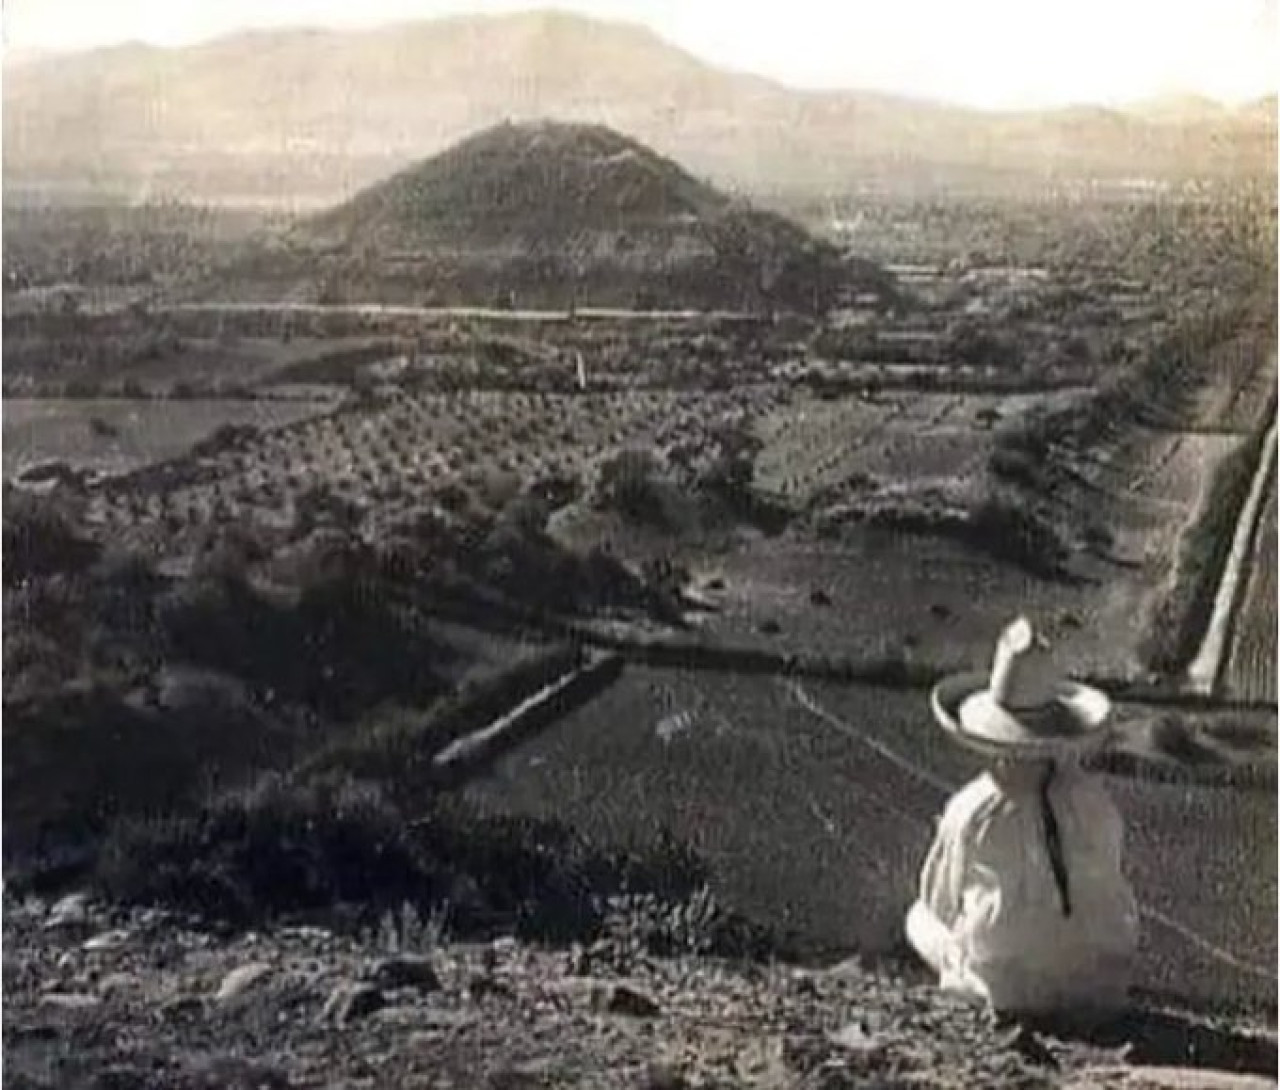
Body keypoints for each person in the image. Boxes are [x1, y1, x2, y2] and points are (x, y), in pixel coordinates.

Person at [905, 616, 1139, 1018]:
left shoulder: (973, 809)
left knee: (919, 919)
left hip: (1007, 993)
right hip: (1100, 989)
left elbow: (940, 901)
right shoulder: (1094, 801)